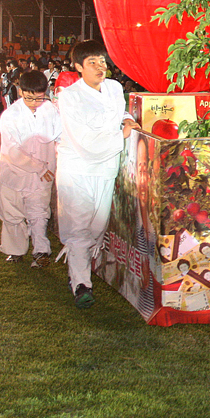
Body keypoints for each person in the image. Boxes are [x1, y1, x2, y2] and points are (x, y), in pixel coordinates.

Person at [54, 40, 137, 308]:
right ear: (78, 67)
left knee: (97, 226)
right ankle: (81, 285)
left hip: (105, 168)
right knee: (78, 228)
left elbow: (118, 112)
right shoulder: (70, 97)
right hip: (78, 169)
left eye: (102, 61)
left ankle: (80, 269)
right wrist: (120, 135)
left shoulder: (114, 88)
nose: (100, 67)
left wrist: (126, 118)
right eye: (92, 62)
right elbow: (84, 140)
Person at [0, 70, 62, 266]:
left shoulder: (51, 110)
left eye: (39, 98)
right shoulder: (11, 116)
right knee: (12, 213)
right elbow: (12, 150)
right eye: (29, 98)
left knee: (39, 212)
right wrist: (37, 167)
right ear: (20, 92)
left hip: (44, 172)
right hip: (14, 172)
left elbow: (61, 136)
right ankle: (15, 250)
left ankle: (41, 251)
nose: (34, 103)